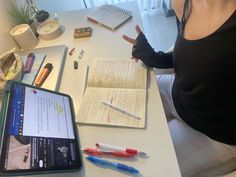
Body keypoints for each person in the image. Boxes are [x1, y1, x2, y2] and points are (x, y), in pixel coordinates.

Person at [122, 0, 236, 176]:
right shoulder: (183, 3)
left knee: (144, 169)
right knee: (123, 96)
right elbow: (191, 57)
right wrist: (154, 57)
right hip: (179, 94)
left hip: (213, 133)